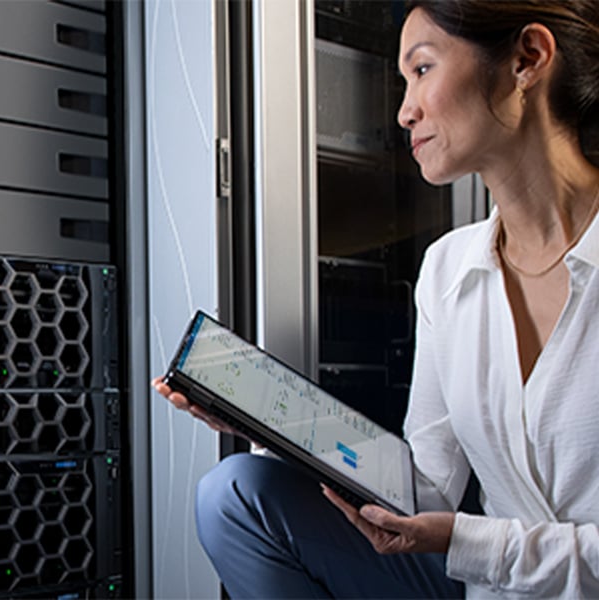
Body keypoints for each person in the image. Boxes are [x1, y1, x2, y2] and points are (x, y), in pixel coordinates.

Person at [153, 0, 599, 597]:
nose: (404, 110)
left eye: (422, 70)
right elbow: (424, 493)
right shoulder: (447, 269)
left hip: (509, 574)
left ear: (527, 59)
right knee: (235, 494)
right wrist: (279, 430)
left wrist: (467, 542)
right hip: (491, 589)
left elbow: (449, 529)